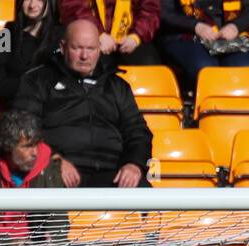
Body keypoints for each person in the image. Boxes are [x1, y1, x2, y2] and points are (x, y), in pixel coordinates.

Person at [14, 20, 152, 188]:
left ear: (99, 49)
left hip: (111, 173)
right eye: (77, 48)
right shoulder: (38, 81)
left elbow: (138, 132)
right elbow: (23, 129)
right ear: (63, 47)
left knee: (143, 190)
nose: (84, 56)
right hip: (57, 173)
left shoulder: (117, 86)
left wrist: (134, 164)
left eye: (91, 49)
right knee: (46, 183)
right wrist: (53, 159)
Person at [0, 109, 68, 245]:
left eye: (36, 144)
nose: (35, 152)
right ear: (7, 147)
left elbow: (59, 216)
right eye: (27, 146)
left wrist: (51, 239)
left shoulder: (48, 166)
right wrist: (10, 243)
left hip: (37, 245)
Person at [157, 0, 249, 90]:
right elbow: (164, 13)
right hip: (187, 36)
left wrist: (235, 26)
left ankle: (236, 109)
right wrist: (196, 26)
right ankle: (209, 109)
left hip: (228, 37)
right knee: (205, 67)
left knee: (242, 65)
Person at [0, 0, 60, 109]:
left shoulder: (62, 36)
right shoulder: (6, 34)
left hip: (52, 111)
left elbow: (60, 86)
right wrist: (32, 86)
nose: (32, 5)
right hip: (16, 110)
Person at [60, 0, 160, 67]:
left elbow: (150, 10)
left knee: (149, 63)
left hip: (131, 38)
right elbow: (73, 7)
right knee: (87, 62)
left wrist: (136, 36)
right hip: (90, 38)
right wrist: (98, 34)